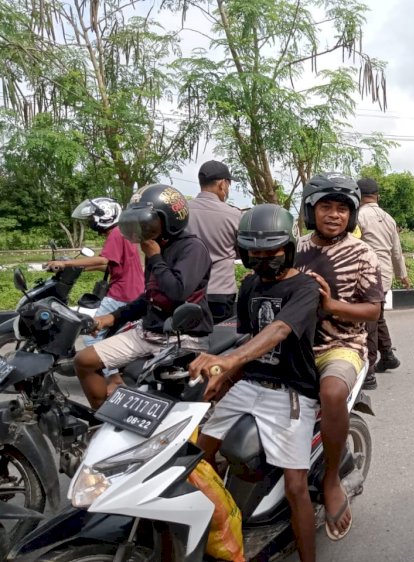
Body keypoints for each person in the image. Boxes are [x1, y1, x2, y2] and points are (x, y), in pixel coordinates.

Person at [188, 204, 320, 562]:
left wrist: (230, 361)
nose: (262, 261)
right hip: (250, 384)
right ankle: (222, 520)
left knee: (296, 487)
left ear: (288, 248)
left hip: (291, 393)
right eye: (254, 254)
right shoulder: (249, 285)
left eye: (270, 253)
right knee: (198, 455)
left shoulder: (305, 288)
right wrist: (225, 376)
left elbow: (277, 331)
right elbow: (243, 337)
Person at [295, 173, 383, 541]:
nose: (334, 215)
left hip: (341, 346)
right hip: (294, 344)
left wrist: (331, 306)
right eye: (326, 207)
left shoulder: (362, 253)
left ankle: (331, 480)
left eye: (343, 208)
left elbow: (373, 311)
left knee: (331, 393)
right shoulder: (294, 247)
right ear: (310, 211)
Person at [74, 184, 213, 409]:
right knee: (84, 361)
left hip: (183, 337)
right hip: (149, 331)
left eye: (148, 222)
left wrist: (156, 259)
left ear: (170, 220)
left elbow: (178, 292)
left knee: (160, 393)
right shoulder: (155, 247)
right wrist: (112, 317)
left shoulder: (192, 248)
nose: (142, 229)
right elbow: (150, 296)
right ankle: (102, 418)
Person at [47, 197, 144, 391]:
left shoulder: (116, 234)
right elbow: (109, 264)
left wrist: (66, 263)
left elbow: (104, 259)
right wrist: (80, 268)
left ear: (106, 216)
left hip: (121, 293)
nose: (91, 222)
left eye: (93, 217)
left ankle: (114, 378)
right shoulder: (122, 232)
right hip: (132, 289)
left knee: (91, 334)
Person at [356, 178, 411, 389]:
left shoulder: (358, 216)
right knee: (377, 315)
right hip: (385, 274)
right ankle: (387, 355)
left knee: (368, 320)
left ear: (358, 196)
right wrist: (402, 275)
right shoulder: (389, 218)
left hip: (367, 274)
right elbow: (396, 251)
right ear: (377, 195)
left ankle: (368, 373)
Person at [188, 160, 243, 323]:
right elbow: (243, 250)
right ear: (222, 184)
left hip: (187, 292)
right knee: (218, 343)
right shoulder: (234, 215)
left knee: (186, 341)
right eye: (228, 184)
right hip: (220, 292)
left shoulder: (183, 212)